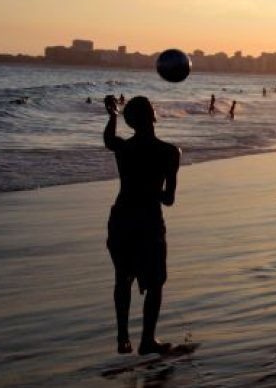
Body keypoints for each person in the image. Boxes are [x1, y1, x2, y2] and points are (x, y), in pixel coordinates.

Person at [104, 96, 181, 356]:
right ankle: (147, 340)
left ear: (130, 121)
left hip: (122, 219)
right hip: (148, 222)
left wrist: (112, 114)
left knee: (122, 279)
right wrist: (152, 190)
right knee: (156, 282)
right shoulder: (170, 152)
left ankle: (123, 337)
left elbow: (108, 140)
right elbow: (169, 199)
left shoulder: (124, 149)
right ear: (153, 116)